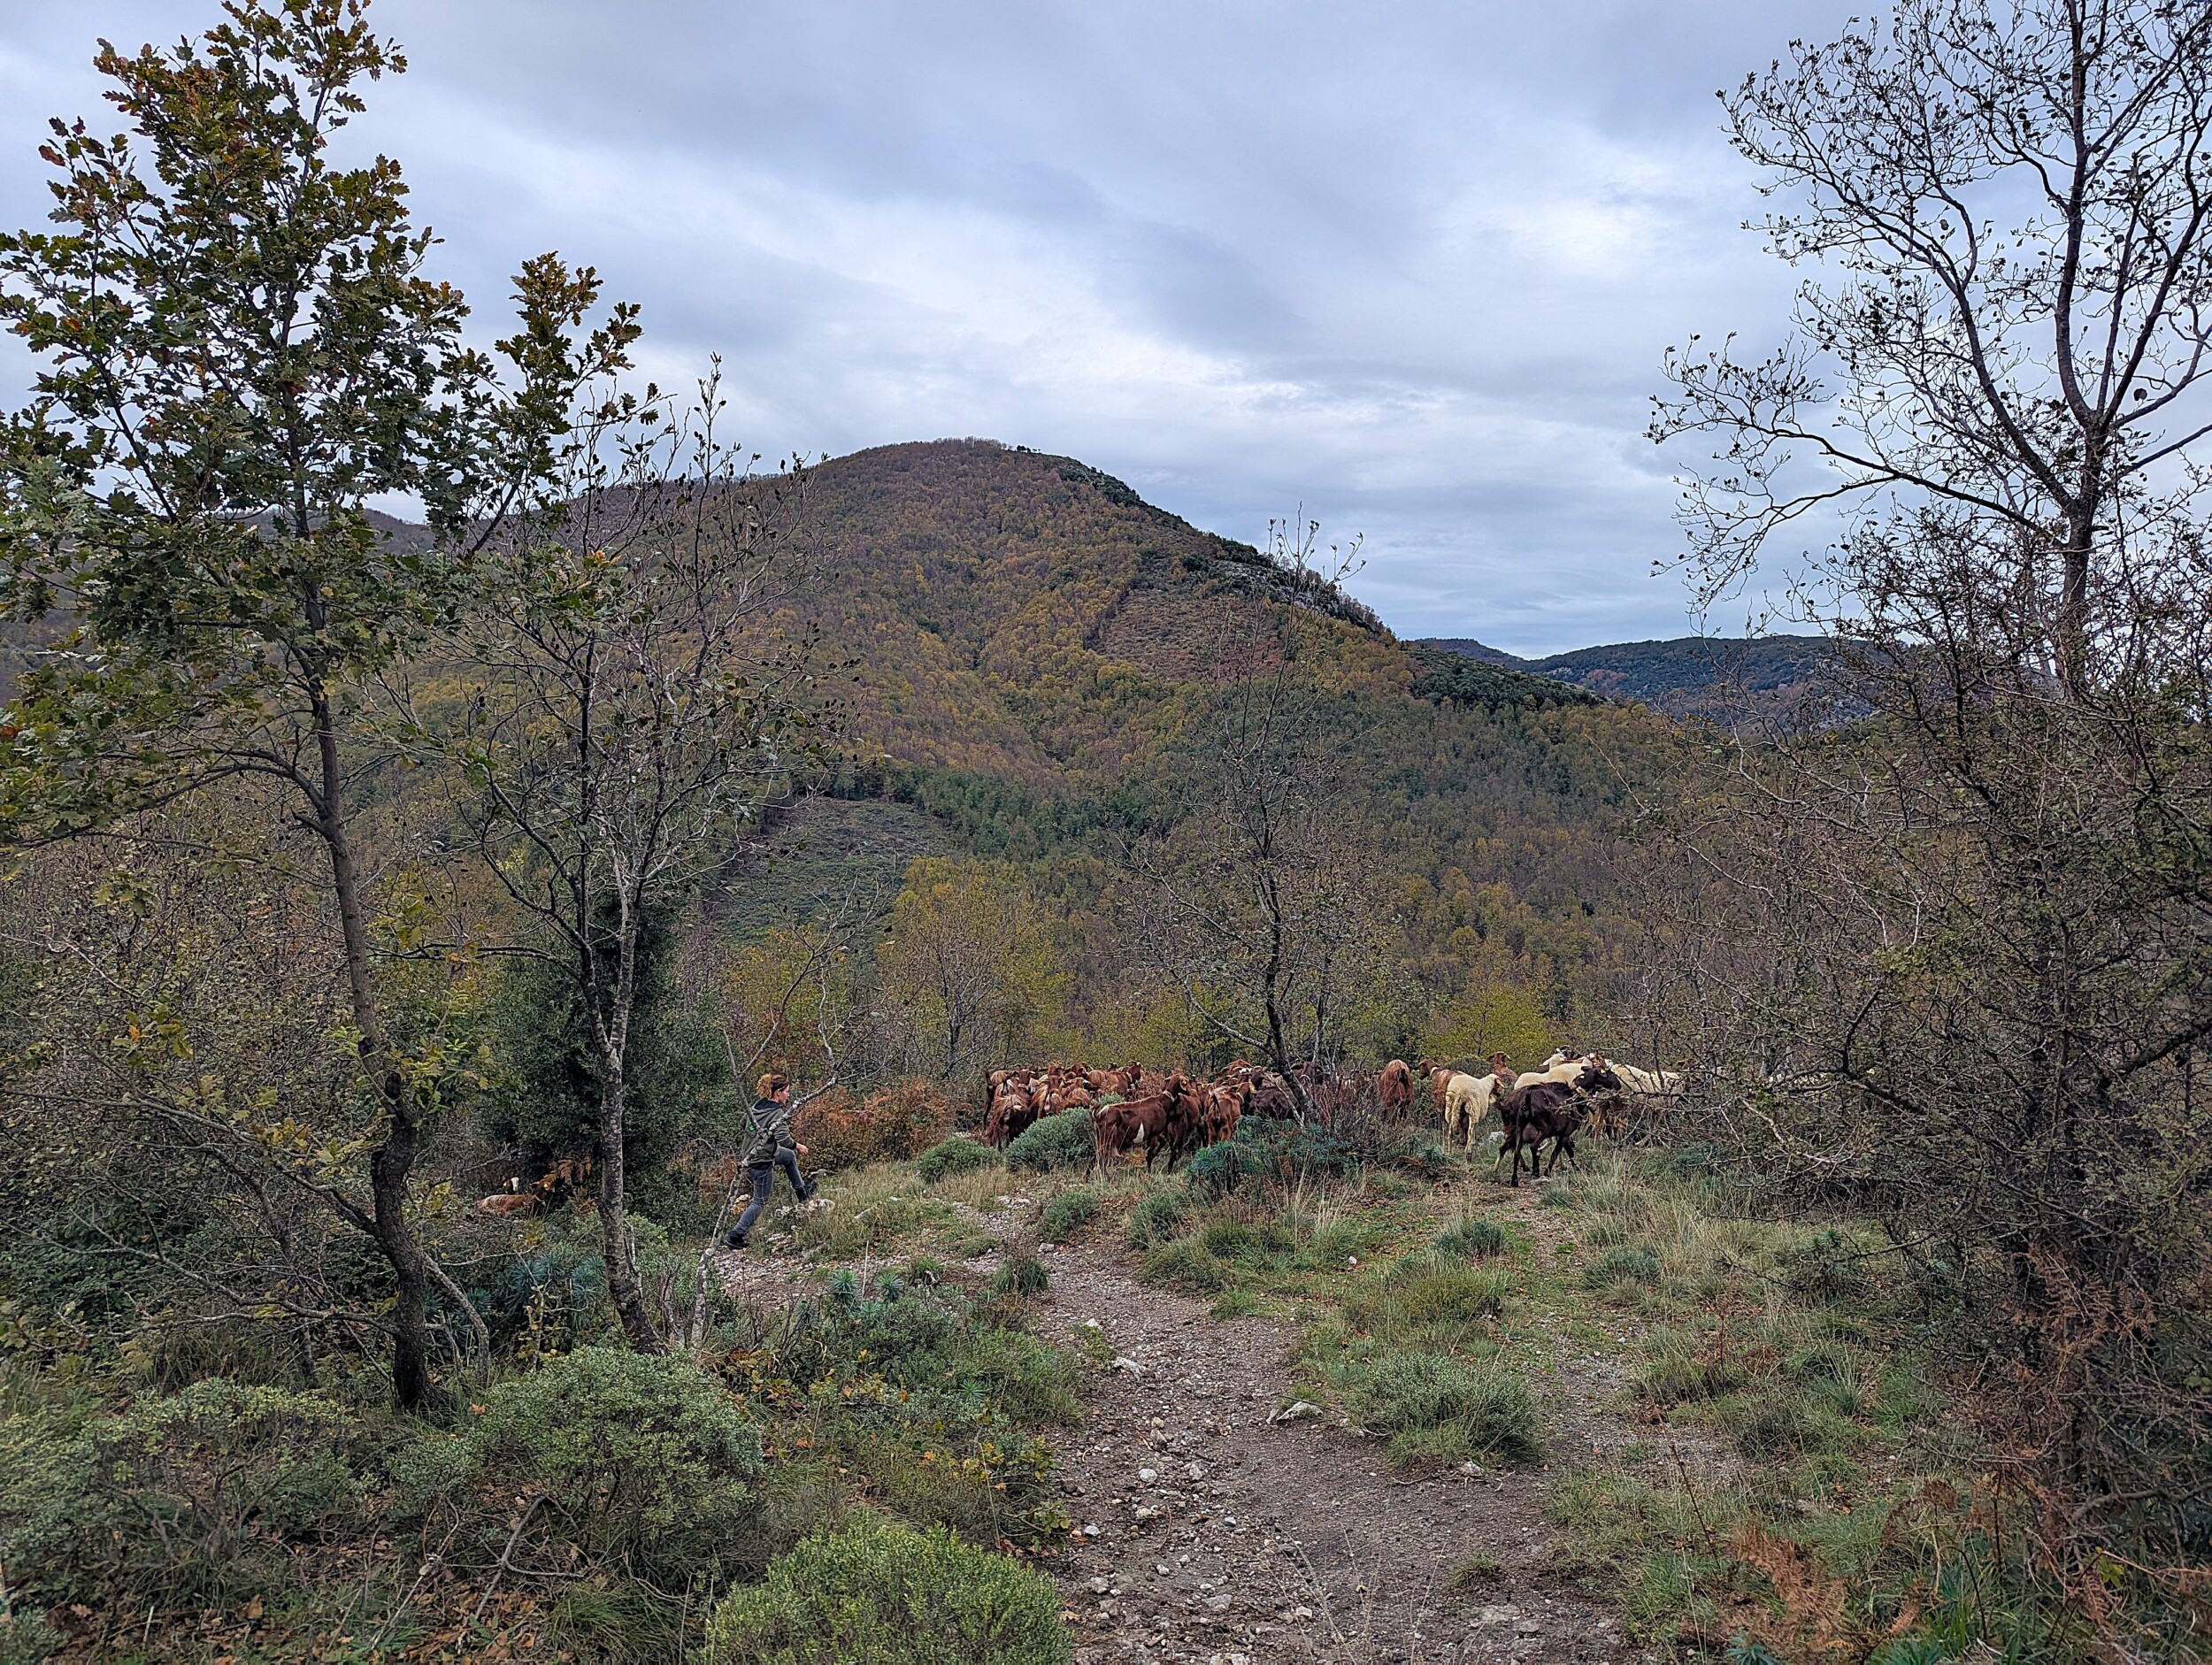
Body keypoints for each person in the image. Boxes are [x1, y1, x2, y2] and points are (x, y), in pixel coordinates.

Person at [726, 1071, 815, 1250]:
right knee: (759, 1201)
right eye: (787, 1091)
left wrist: (760, 1134)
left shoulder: (756, 1106)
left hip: (752, 1154)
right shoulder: (776, 1113)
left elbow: (744, 1124)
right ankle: (736, 1235)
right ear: (778, 1092)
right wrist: (798, 1145)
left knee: (788, 1157)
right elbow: (784, 1139)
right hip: (761, 1161)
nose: (788, 1095)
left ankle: (802, 1194)